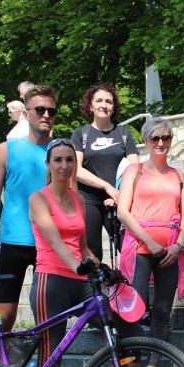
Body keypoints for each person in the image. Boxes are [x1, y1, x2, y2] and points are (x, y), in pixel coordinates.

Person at [0, 85, 72, 367]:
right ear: (26, 113)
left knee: (51, 324)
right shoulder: (6, 150)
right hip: (15, 244)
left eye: (51, 111)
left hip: (50, 247)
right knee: (4, 320)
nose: (46, 116)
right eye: (39, 110)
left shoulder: (63, 153)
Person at [27, 139, 95, 367]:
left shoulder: (79, 198)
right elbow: (55, 240)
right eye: (58, 160)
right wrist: (77, 265)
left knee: (118, 320)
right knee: (49, 361)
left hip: (78, 279)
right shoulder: (38, 198)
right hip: (50, 281)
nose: (65, 166)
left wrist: (103, 267)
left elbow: (83, 246)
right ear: (49, 164)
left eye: (70, 159)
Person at [117, 119, 184, 367]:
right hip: (140, 247)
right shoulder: (134, 171)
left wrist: (178, 245)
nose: (161, 143)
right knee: (134, 310)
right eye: (155, 138)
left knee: (162, 311)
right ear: (146, 141)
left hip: (169, 250)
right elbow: (123, 211)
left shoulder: (178, 175)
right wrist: (148, 240)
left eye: (166, 138)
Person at [71, 83, 140, 262]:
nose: (104, 105)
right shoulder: (81, 134)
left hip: (119, 198)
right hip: (89, 199)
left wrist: (120, 194)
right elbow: (76, 170)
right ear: (90, 105)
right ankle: (95, 288)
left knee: (128, 248)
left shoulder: (124, 133)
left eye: (109, 101)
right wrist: (106, 186)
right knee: (92, 253)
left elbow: (135, 168)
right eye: (99, 100)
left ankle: (129, 288)